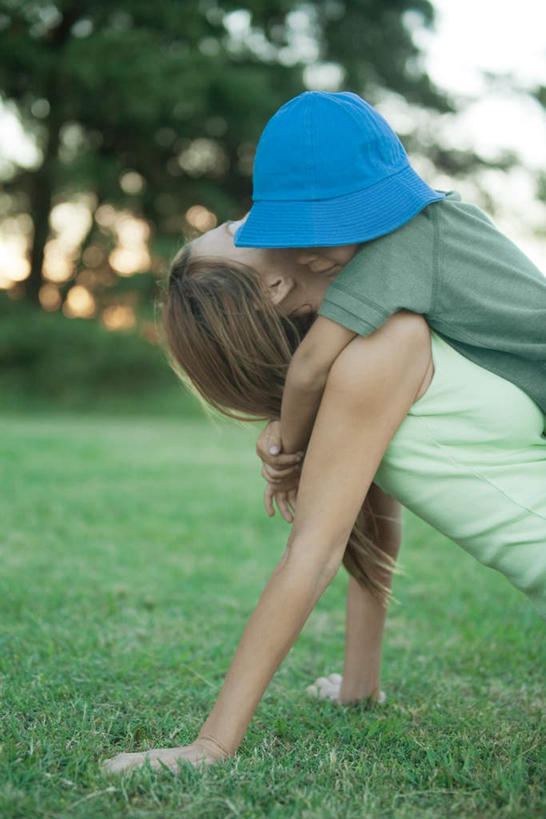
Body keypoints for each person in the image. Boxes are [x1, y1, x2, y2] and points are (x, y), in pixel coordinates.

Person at [103, 217, 546, 776]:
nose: (262, 214)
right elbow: (319, 551)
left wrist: (358, 685)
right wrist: (210, 746)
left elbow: (372, 530)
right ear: (275, 286)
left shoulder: (385, 337)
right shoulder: (384, 343)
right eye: (239, 229)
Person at [233, 91, 546, 475]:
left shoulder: (389, 255)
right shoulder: (445, 217)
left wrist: (288, 450)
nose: (299, 254)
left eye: (315, 229)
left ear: (367, 209)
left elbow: (310, 367)